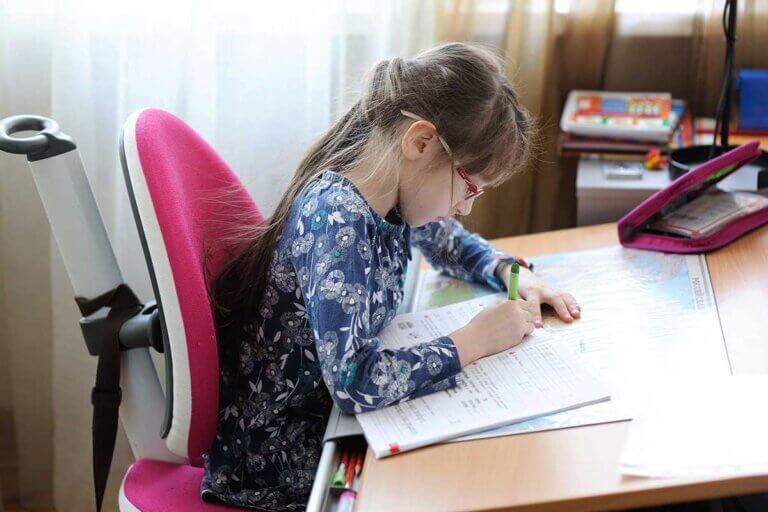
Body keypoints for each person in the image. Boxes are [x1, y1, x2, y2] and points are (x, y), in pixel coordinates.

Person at [201, 42, 580, 510]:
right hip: (281, 456)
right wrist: (474, 341)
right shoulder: (338, 221)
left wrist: (509, 271)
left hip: (331, 423)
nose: (466, 207)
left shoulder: (389, 190)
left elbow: (448, 241)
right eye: (469, 187)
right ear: (421, 143)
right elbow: (354, 380)